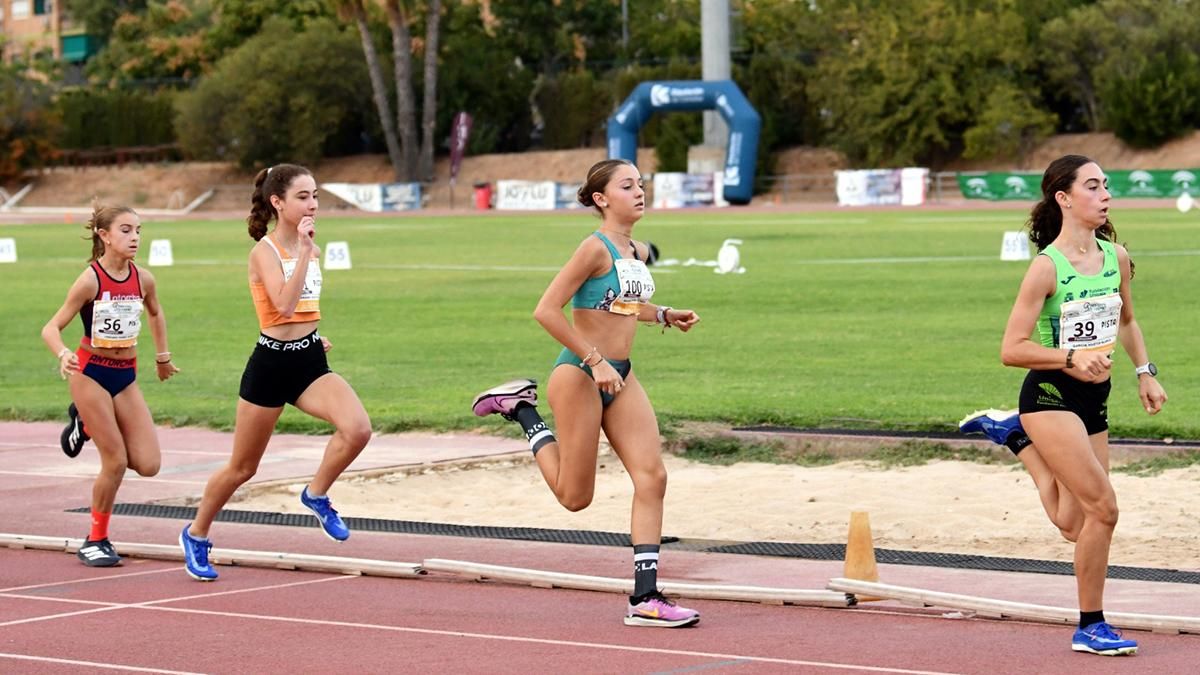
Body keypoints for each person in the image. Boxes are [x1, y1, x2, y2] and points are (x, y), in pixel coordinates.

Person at [472, 159, 702, 628]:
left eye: (641, 184)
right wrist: (594, 360)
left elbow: (623, 305)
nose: (640, 192)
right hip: (579, 376)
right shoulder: (593, 249)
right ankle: (522, 409)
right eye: (627, 186)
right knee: (575, 498)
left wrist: (664, 315)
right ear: (601, 199)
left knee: (652, 476)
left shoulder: (634, 248)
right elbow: (546, 311)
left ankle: (646, 598)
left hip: (621, 376)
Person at [996, 155, 1166, 656]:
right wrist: (1071, 356)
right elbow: (1012, 348)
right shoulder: (1045, 268)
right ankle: (1090, 625)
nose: (1105, 194)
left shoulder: (1117, 257)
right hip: (1049, 394)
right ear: (1064, 198)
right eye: (1092, 186)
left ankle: (1018, 441)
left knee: (1075, 525)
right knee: (1105, 509)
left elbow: (1128, 321)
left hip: (1096, 396)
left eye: (1107, 185)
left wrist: (1144, 372)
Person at [179, 164, 372, 581]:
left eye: (315, 195)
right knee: (242, 468)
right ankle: (196, 534)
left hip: (307, 362)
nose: (313, 204)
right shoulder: (263, 252)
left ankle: (316, 494)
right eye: (303, 197)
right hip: (269, 366)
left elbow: (301, 307)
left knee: (357, 429)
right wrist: (303, 252)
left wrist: (314, 334)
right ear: (277, 202)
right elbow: (282, 304)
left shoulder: (310, 248)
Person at [41, 205, 180, 567]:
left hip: (125, 375)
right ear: (104, 235)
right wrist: (62, 353)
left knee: (148, 464)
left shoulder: (144, 279)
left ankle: (85, 423)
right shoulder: (90, 280)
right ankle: (95, 539)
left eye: (139, 230)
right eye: (126, 230)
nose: (135, 237)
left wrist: (162, 357)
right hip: (89, 373)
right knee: (115, 461)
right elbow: (51, 327)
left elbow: (155, 311)